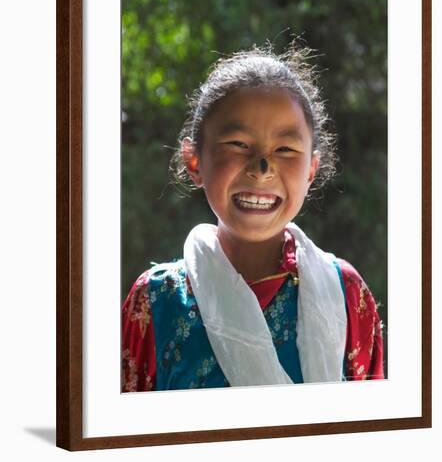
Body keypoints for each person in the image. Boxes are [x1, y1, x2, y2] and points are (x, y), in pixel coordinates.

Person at [122, 43, 384, 392]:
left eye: (286, 149)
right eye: (237, 144)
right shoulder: (156, 302)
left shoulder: (346, 294)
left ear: (311, 170)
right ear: (194, 160)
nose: (262, 169)